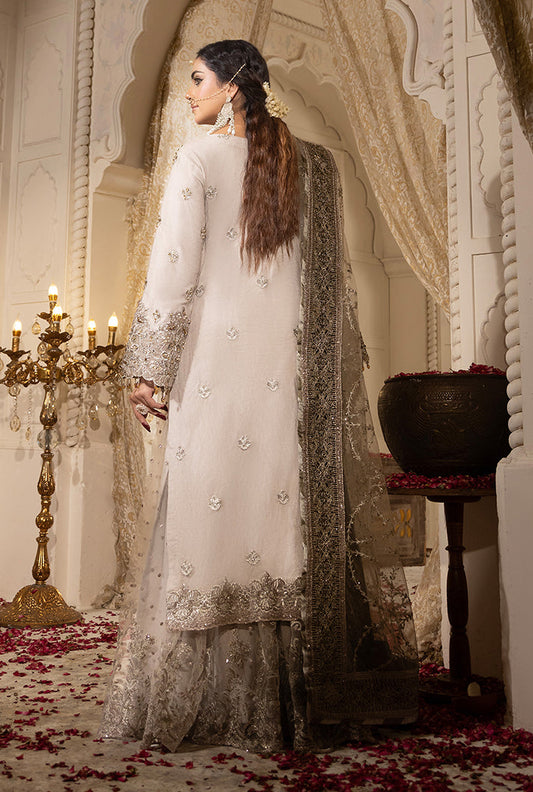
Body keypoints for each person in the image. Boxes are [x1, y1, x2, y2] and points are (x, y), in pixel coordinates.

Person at [100, 39, 418, 753]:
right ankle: (297, 701)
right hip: (296, 377)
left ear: (231, 86)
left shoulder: (198, 159)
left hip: (216, 370)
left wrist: (147, 369)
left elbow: (173, 270)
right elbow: (329, 288)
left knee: (212, 514)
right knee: (283, 516)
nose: (188, 92)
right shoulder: (318, 166)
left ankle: (211, 702)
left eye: (197, 79)